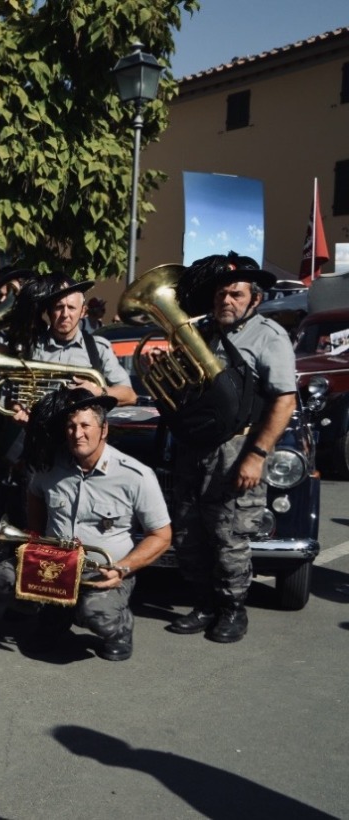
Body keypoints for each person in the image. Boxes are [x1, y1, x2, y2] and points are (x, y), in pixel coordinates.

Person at [161, 253, 297, 643]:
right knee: (189, 533)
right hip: (194, 448)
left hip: (238, 448)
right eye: (222, 294)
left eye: (236, 294)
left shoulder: (269, 335)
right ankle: (203, 604)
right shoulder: (201, 331)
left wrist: (256, 456)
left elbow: (283, 400)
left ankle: (233, 610)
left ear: (254, 298)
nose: (227, 301)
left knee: (228, 537)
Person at [0, 388, 171, 661]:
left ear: (104, 429)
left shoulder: (135, 475)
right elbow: (35, 497)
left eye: (85, 425)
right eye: (71, 426)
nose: (77, 434)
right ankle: (54, 616)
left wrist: (123, 569)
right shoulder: (49, 468)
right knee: (4, 578)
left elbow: (161, 536)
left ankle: (120, 627)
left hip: (102, 571)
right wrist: (36, 543)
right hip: (54, 568)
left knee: (95, 614)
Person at [23, 275, 136, 410]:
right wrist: (18, 408)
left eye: (71, 307)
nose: (65, 314)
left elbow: (130, 396)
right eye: (59, 307)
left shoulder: (99, 348)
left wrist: (98, 392)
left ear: (83, 312)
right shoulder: (32, 346)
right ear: (49, 311)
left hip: (80, 430)